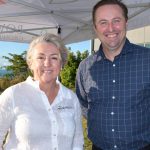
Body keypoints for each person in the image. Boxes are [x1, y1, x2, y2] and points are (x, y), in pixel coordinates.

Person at [76, 0, 150, 150]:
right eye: (103, 22)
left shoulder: (147, 59)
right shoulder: (85, 67)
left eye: (116, 21)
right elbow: (83, 104)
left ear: (126, 23)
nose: (110, 28)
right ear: (95, 28)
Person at [0, 33, 84, 150]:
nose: (47, 63)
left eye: (54, 58)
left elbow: (78, 140)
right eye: (40, 57)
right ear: (31, 63)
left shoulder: (71, 98)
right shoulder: (12, 95)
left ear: (61, 64)